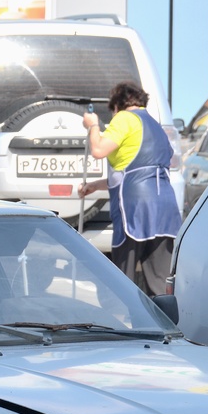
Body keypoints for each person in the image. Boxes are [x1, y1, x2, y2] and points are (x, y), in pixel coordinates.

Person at [79, 82, 181, 296]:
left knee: (122, 278)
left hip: (135, 208)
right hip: (164, 209)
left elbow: (98, 150)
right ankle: (166, 326)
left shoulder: (125, 118)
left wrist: (93, 126)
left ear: (117, 104)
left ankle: (126, 325)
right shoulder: (155, 126)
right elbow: (140, 168)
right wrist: (95, 186)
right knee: (159, 282)